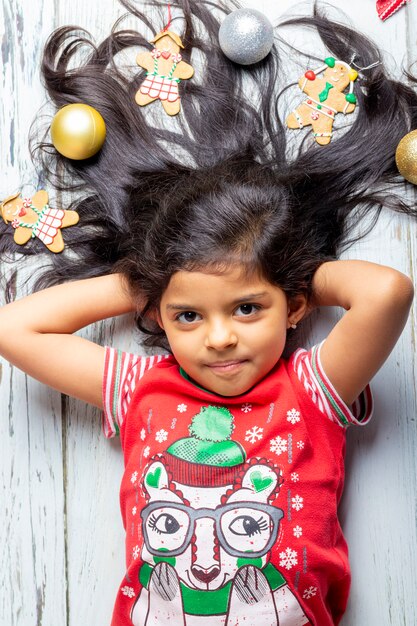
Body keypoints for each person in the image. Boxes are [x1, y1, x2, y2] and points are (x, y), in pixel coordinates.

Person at [0, 1, 416, 625]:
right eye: (190, 317)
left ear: (293, 306)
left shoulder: (311, 390)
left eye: (248, 308)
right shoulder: (144, 388)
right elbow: (16, 329)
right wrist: (149, 281)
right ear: (161, 318)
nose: (220, 338)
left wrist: (285, 271)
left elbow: (386, 292)